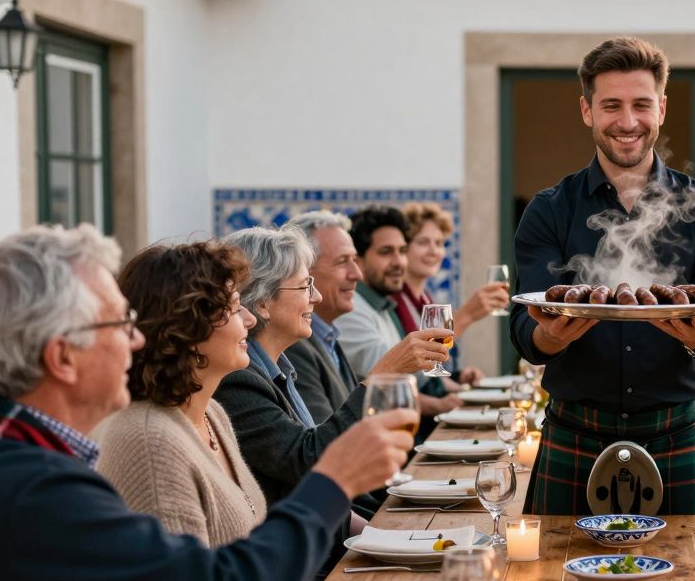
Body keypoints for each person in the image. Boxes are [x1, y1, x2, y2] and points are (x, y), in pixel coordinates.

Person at [0, 225, 414, 581]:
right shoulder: (32, 491)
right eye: (118, 324)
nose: (136, 341)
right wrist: (332, 479)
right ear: (63, 357)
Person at [510, 36, 695, 515]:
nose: (627, 122)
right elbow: (524, 332)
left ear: (661, 108)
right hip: (572, 429)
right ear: (586, 110)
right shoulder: (548, 210)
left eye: (641, 104)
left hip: (676, 430)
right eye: (611, 105)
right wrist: (552, 337)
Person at [93, 241, 282, 581]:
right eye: (236, 308)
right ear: (188, 328)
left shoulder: (211, 412)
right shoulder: (149, 440)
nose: (250, 319)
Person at [213, 227, 447, 509]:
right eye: (304, 286)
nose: (317, 297)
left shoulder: (279, 370)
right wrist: (382, 377)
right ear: (263, 302)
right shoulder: (237, 379)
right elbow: (311, 460)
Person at [336, 206, 463, 431]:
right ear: (358, 259)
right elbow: (390, 381)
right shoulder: (351, 310)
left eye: (402, 251)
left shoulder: (384, 306)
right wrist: (439, 403)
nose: (398, 262)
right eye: (386, 252)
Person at [398, 201, 507, 382]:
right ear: (404, 247)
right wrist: (468, 314)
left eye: (439, 243)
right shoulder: (393, 301)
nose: (434, 251)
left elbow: (432, 371)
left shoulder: (425, 299)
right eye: (423, 242)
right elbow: (412, 364)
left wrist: (458, 378)